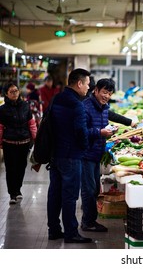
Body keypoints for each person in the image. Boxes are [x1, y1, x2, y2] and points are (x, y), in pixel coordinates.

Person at [47, 68, 92, 243]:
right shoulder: (77, 104)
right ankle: (71, 233)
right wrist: (84, 147)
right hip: (71, 155)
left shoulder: (56, 98)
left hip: (55, 154)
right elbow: (81, 131)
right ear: (79, 83)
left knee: (55, 194)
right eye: (87, 84)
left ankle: (54, 230)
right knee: (70, 195)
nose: (88, 88)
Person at [81, 78, 116, 233]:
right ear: (95, 90)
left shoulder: (104, 108)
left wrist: (108, 134)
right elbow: (81, 132)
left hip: (97, 154)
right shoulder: (86, 107)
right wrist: (100, 132)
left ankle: (90, 220)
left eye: (109, 93)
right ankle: (88, 222)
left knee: (95, 189)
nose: (106, 96)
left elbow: (101, 128)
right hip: (86, 154)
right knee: (89, 189)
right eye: (104, 92)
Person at [0, 83, 37, 204]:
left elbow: (31, 123)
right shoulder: (2, 109)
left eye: (16, 91)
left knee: (21, 168)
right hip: (9, 143)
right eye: (11, 91)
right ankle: (12, 193)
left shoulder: (25, 106)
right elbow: (0, 128)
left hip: (24, 142)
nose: (15, 93)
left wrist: (35, 138)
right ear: (6, 94)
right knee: (10, 169)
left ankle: (18, 189)